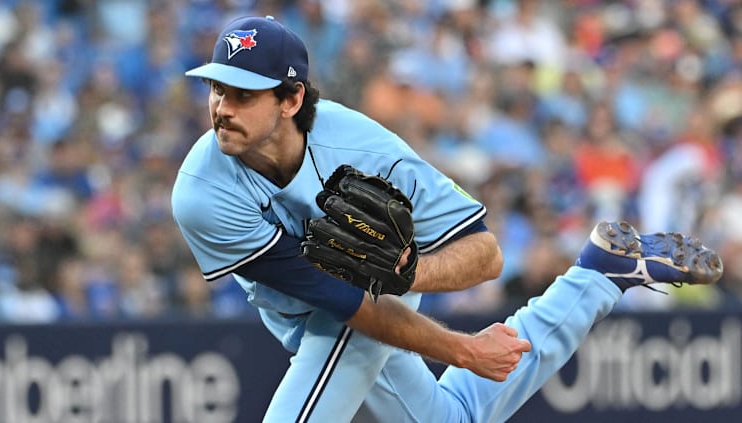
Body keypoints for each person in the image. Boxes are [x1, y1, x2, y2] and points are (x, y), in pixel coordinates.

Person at [171, 15, 724, 423]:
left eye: (243, 93)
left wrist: (408, 275)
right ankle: (598, 275)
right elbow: (326, 294)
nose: (222, 107)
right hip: (314, 304)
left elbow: (485, 254)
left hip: (375, 292)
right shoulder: (201, 192)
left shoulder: (365, 148)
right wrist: (464, 350)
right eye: (217, 89)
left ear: (291, 100)